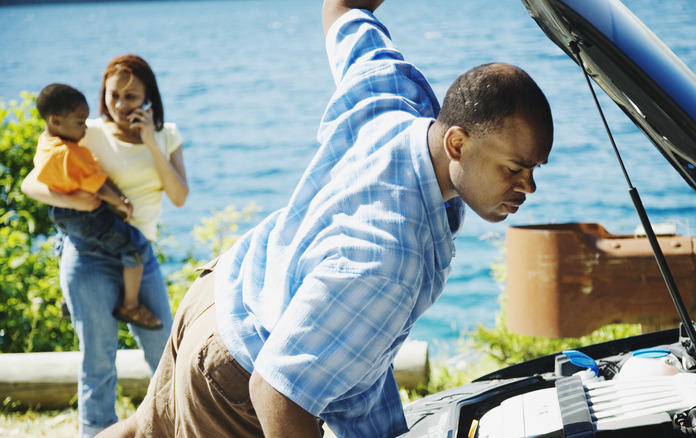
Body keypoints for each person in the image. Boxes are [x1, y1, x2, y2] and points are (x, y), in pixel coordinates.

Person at [100, 1, 553, 437]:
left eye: (535, 169)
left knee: (141, 432)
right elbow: (277, 392)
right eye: (514, 168)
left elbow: (342, 9)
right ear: (457, 143)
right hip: (236, 375)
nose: (527, 186)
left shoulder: (392, 93)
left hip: (223, 289)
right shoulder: (392, 258)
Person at [21, 54, 189, 438]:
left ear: (149, 96)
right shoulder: (87, 130)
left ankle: (175, 426)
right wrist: (77, 201)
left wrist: (149, 141)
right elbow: (31, 183)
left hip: (139, 254)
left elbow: (179, 196)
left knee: (165, 351)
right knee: (98, 361)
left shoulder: (167, 135)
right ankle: (96, 433)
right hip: (88, 256)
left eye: (131, 96)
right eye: (114, 95)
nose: (120, 104)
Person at [33, 83, 162, 330]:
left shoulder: (46, 143)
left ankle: (67, 297)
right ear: (56, 121)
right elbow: (98, 186)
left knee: (62, 241)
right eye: (81, 123)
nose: (85, 128)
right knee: (134, 247)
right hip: (85, 215)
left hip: (61, 215)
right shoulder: (69, 153)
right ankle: (131, 306)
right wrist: (120, 202)